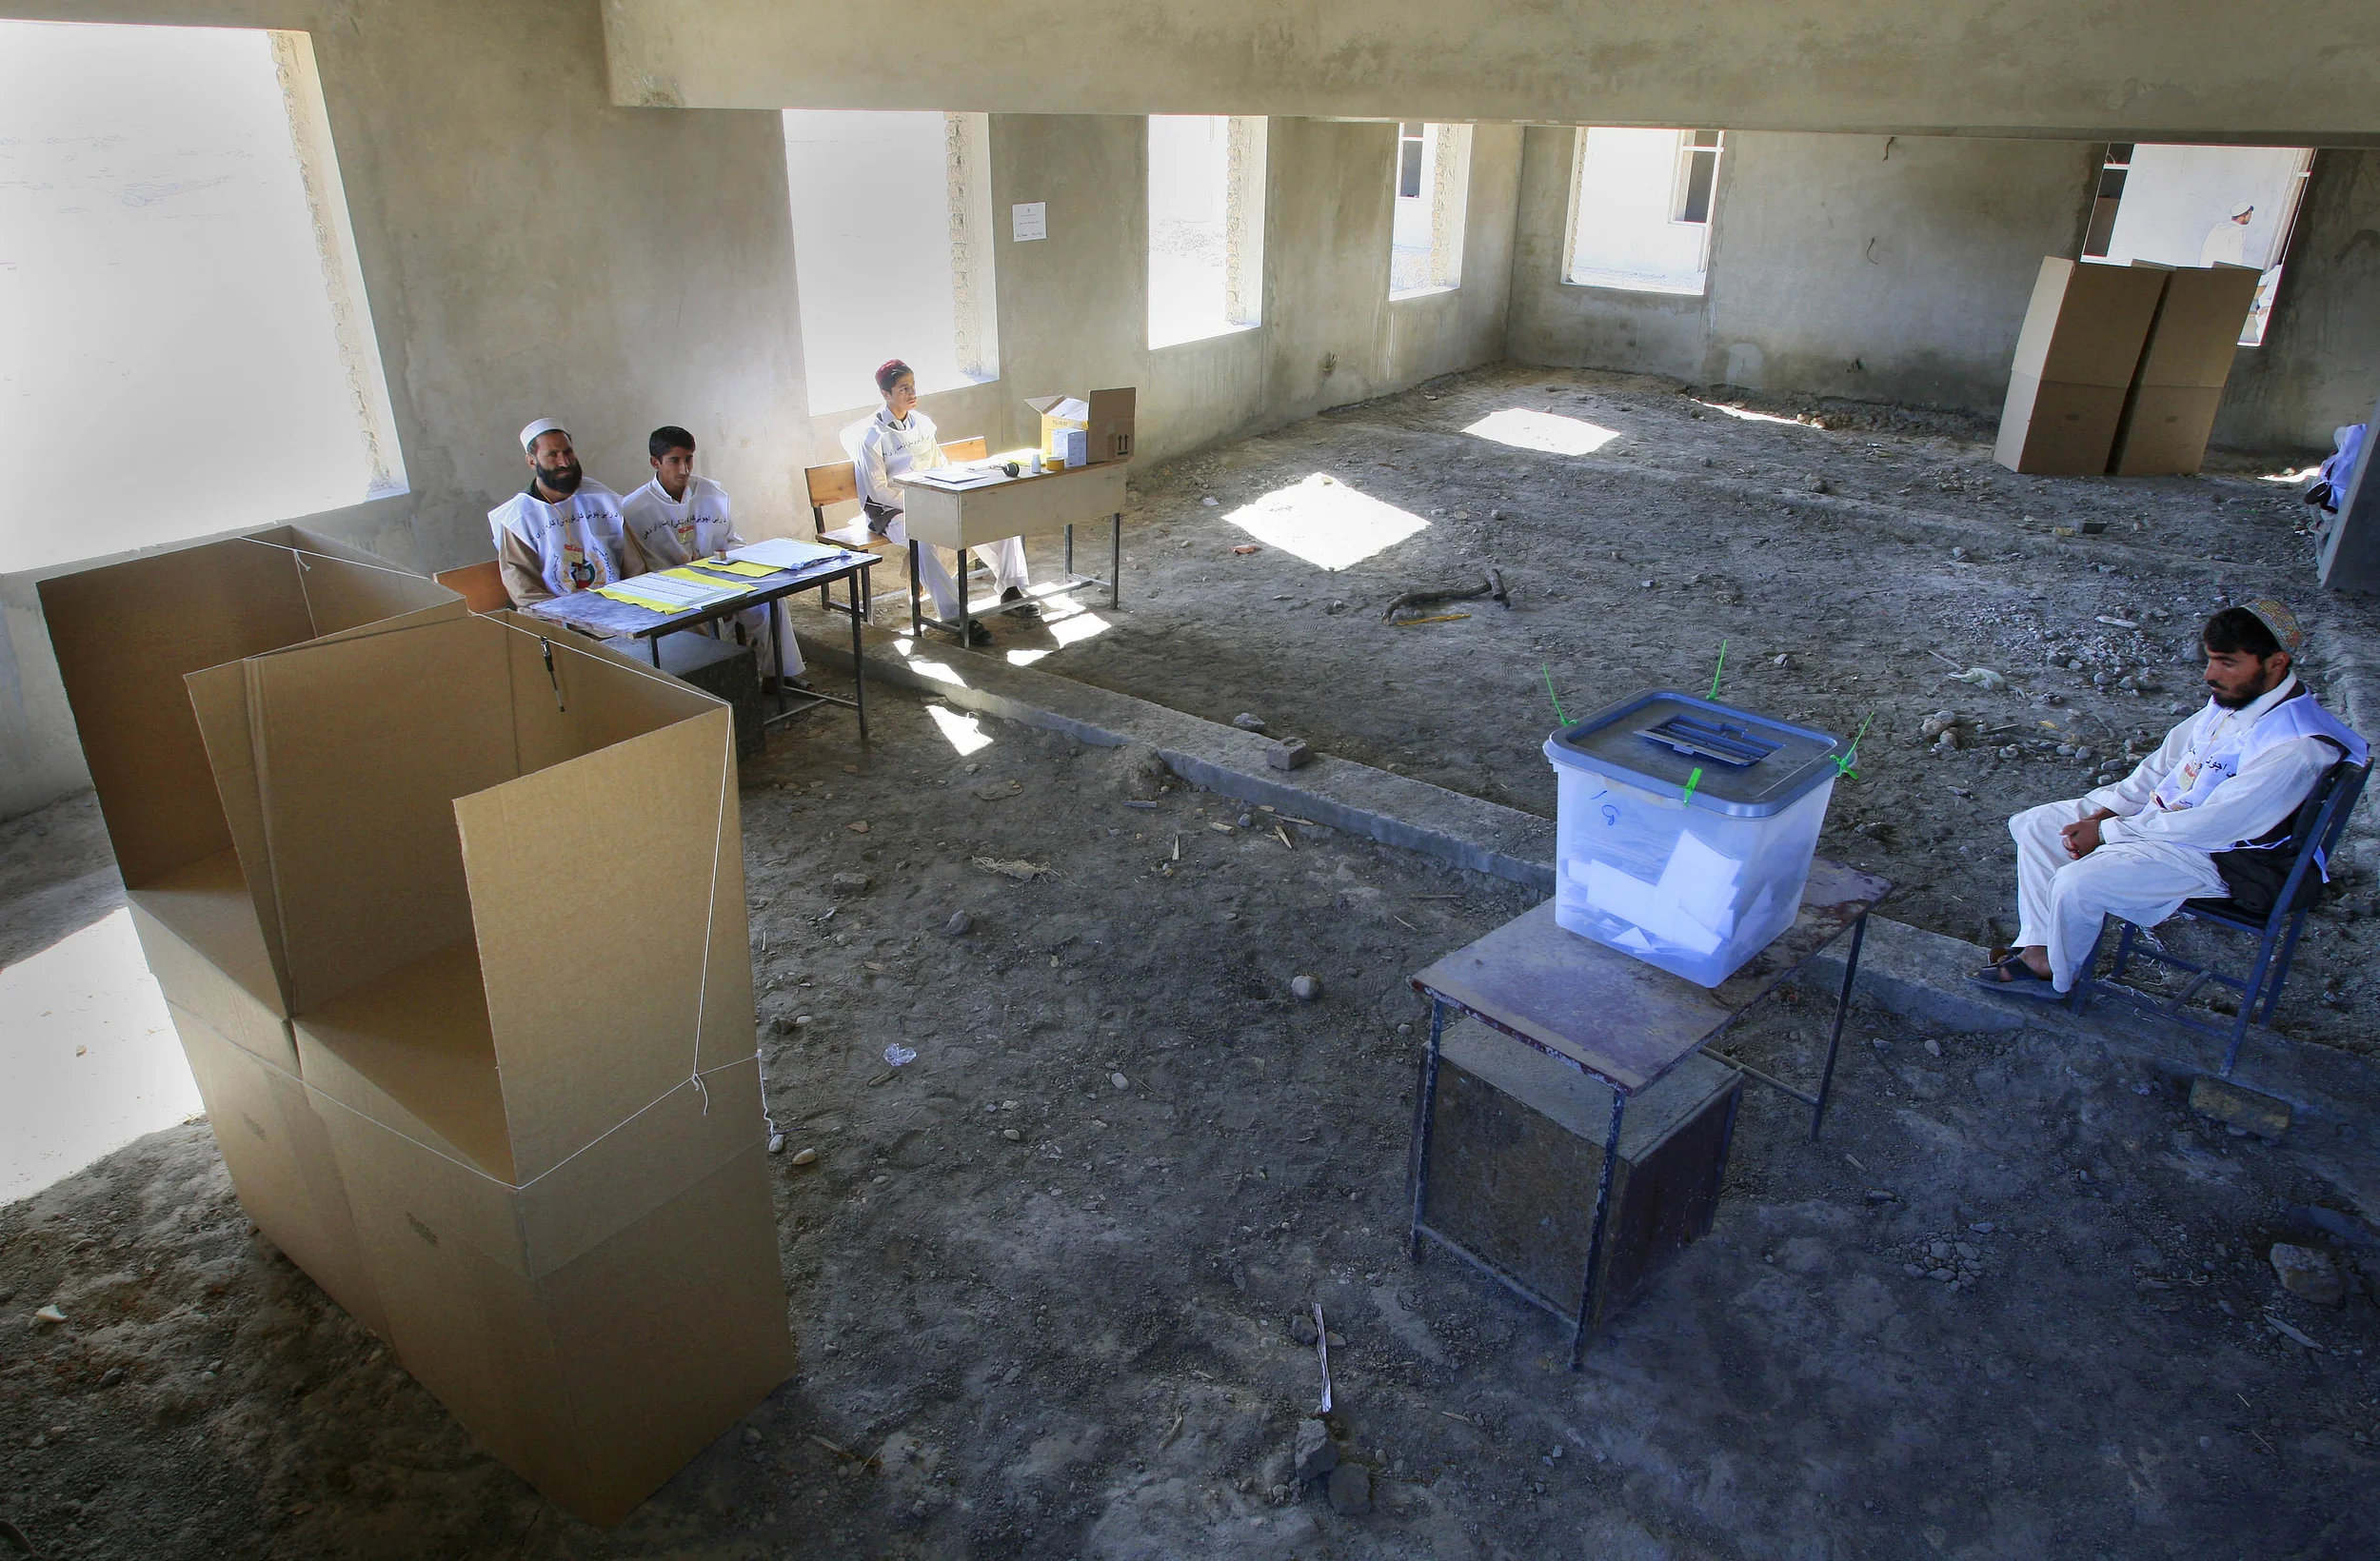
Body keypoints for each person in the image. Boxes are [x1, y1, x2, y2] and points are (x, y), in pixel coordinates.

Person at [1974, 600, 2367, 999]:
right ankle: (2041, 950)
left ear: (2276, 663)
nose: (2210, 675)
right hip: (2170, 821)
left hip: (2225, 856)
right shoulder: (2235, 698)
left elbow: (2217, 825)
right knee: (2035, 824)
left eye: (2227, 662)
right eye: (2211, 659)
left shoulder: (2298, 746)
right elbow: (2166, 764)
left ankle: (2056, 975)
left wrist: (2108, 833)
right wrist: (2110, 809)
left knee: (2077, 882)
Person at [845, 358, 1037, 648]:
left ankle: (1012, 589)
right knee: (923, 540)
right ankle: (955, 617)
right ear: (885, 394)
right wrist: (922, 499)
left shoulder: (922, 424)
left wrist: (958, 479)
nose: (911, 393)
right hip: (894, 510)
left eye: (912, 386)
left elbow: (939, 463)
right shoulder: (872, 437)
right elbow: (879, 490)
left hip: (934, 498)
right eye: (902, 389)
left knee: (998, 519)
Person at [622, 425, 803, 683]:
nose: (684, 469)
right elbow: (643, 566)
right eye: (674, 461)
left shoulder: (711, 493)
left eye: (688, 459)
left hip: (722, 578)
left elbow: (731, 541)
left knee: (769, 602)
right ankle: (720, 689)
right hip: (675, 591)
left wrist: (726, 568)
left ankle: (780, 675)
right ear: (655, 462)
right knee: (694, 629)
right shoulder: (635, 508)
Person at [490, 419, 643, 607]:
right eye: (553, 455)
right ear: (532, 462)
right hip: (562, 621)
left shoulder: (603, 499)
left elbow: (635, 566)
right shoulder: (518, 519)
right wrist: (566, 621)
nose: (564, 462)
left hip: (621, 608)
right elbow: (525, 592)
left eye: (568, 452)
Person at [2199, 202, 2253, 267]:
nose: (2250, 218)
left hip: (2206, 270)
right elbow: (2235, 259)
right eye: (2249, 215)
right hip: (2222, 273)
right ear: (2241, 218)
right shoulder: (2237, 233)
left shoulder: (2216, 228)